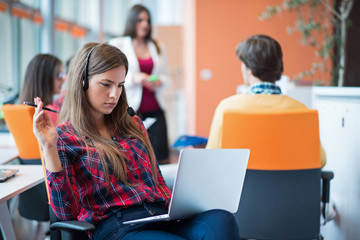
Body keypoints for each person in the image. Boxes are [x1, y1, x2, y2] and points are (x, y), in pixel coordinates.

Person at [33, 42, 240, 240]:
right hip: (118, 227)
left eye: (120, 85)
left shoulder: (132, 124)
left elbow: (157, 181)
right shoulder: (64, 137)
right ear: (83, 82)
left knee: (222, 219)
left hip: (160, 215)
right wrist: (49, 148)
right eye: (106, 84)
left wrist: (180, 207)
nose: (114, 94)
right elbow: (65, 213)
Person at [206, 34, 326, 167]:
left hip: (243, 188)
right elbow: (320, 160)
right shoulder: (302, 110)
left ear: (249, 69)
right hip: (289, 187)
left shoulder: (227, 108)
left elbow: (213, 158)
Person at [109, 4, 170, 164]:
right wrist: (134, 78)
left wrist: (159, 80)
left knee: (160, 156)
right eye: (140, 20)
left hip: (156, 109)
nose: (145, 24)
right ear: (132, 21)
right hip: (132, 110)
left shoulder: (157, 46)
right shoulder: (119, 44)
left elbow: (167, 76)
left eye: (148, 20)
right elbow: (110, 74)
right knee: (134, 156)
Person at [19, 54, 65, 126]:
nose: (63, 79)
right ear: (45, 78)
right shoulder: (47, 113)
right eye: (59, 75)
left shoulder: (21, 112)